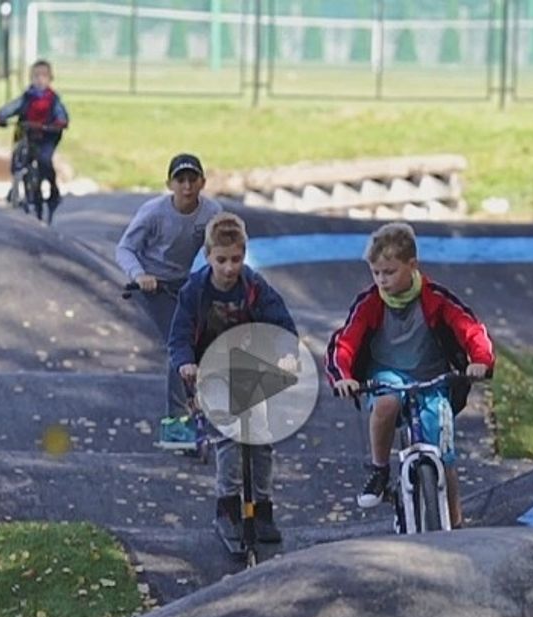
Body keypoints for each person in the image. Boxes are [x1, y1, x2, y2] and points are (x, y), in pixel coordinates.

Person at [327, 222, 493, 528]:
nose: (382, 280)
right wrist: (343, 376)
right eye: (376, 273)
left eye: (389, 272)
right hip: (387, 374)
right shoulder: (370, 303)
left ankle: (455, 522)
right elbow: (346, 341)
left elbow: (470, 328)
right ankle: (379, 470)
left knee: (444, 451)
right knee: (387, 404)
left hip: (431, 375)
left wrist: (480, 360)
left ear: (412, 265)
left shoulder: (435, 298)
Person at [167, 211, 297, 544]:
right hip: (211, 371)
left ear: (244, 255)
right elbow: (180, 335)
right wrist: (185, 362)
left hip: (249, 369)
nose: (228, 268)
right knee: (229, 437)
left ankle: (262, 507)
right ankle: (228, 507)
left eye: (236, 259)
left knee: (260, 439)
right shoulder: (195, 291)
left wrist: (286, 352)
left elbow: (280, 320)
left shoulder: (254, 286)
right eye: (221, 259)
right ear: (208, 256)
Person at [116, 153, 223, 447]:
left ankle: (201, 410)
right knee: (180, 346)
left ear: (203, 182)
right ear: (169, 184)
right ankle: (176, 426)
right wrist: (139, 275)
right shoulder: (154, 213)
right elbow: (125, 248)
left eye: (192, 180)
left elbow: (222, 245)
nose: (187, 187)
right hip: (153, 285)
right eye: (181, 180)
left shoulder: (212, 212)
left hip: (185, 282)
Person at [0, 59, 70, 219]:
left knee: (44, 160)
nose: (39, 79)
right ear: (31, 78)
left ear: (50, 78)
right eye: (36, 76)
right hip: (27, 133)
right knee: (19, 155)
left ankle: (52, 188)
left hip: (47, 135)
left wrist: (59, 123)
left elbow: (62, 115)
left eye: (44, 76)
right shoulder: (27, 96)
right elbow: (12, 107)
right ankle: (17, 185)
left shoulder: (52, 99)